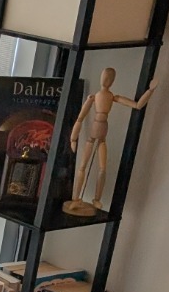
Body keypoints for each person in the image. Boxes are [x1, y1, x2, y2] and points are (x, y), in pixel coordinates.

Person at [65, 66, 156, 212]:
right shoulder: (93, 98)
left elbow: (137, 105)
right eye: (105, 76)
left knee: (102, 169)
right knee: (82, 166)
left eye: (109, 78)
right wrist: (73, 138)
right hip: (92, 136)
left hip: (102, 137)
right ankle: (76, 198)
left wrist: (150, 90)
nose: (106, 80)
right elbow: (80, 118)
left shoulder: (114, 97)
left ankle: (96, 199)